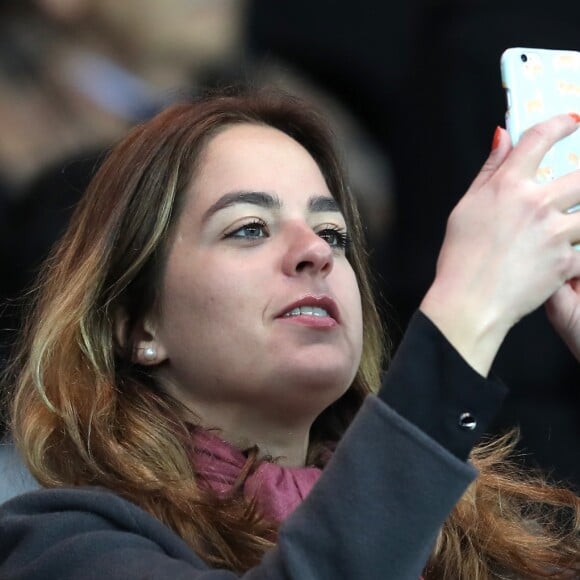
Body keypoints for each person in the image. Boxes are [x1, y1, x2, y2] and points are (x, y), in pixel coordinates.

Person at [0, 88, 579, 579]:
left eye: (334, 233)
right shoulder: (59, 547)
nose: (314, 253)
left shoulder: (472, 533)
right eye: (250, 228)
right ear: (136, 325)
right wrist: (466, 310)